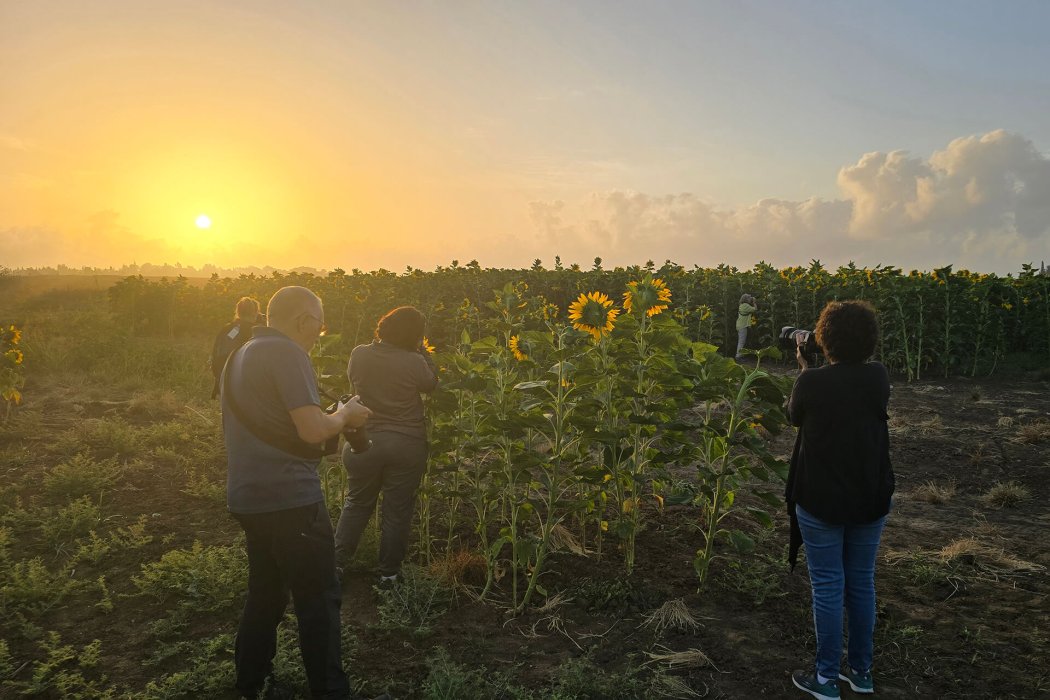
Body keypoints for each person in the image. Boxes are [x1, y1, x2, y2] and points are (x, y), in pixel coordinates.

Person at [221, 285, 378, 700]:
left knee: (265, 596)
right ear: (304, 320)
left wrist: (332, 420)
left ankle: (249, 685)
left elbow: (285, 425)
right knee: (319, 602)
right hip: (290, 499)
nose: (318, 334)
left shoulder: (242, 354)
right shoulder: (287, 353)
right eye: (319, 327)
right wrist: (345, 415)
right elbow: (311, 430)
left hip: (247, 497)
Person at [785, 300, 895, 700]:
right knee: (861, 582)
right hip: (870, 495)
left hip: (821, 499)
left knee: (829, 585)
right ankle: (861, 673)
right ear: (870, 339)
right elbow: (849, 383)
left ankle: (826, 678)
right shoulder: (878, 377)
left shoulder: (811, 382)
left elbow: (794, 415)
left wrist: (804, 363)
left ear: (823, 339)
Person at [334, 306, 438, 584]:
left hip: (363, 440)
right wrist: (423, 353)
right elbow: (431, 384)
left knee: (356, 503)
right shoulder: (414, 361)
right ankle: (389, 575)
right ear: (415, 335)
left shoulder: (359, 354)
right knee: (397, 510)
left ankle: (335, 566)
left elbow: (355, 383)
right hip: (406, 443)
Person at [211, 297, 264, 399]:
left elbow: (222, 350)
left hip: (223, 379)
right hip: (246, 384)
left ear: (238, 311)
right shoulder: (256, 330)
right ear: (255, 312)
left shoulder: (230, 329)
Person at [735, 293, 757, 360]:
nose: (750, 299)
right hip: (742, 326)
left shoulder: (743, 305)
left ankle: (740, 355)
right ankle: (738, 356)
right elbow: (755, 309)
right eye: (749, 298)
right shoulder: (745, 305)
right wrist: (754, 302)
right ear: (746, 299)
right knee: (741, 341)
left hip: (741, 325)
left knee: (742, 341)